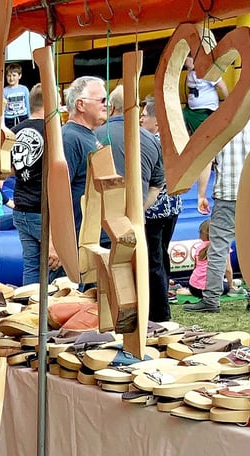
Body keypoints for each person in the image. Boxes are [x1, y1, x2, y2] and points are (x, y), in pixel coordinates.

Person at [93, 86, 171, 321]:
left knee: (105, 272)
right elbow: (158, 186)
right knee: (144, 267)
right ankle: (155, 317)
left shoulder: (97, 135)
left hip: (101, 220)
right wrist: (136, 212)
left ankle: (105, 318)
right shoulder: (150, 140)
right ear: (136, 111)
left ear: (112, 107)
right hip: (134, 221)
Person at [186, 108, 250, 313]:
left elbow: (206, 162)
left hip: (226, 194)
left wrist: (201, 194)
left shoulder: (220, 129)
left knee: (218, 248)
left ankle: (211, 299)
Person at [7, 83, 59, 285]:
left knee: (31, 265)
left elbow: (9, 169)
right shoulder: (53, 132)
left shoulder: (14, 131)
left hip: (21, 207)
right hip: (42, 210)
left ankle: (30, 307)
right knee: (55, 266)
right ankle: (48, 312)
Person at [140, 99, 184, 322]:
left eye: (144, 116)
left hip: (153, 210)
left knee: (153, 262)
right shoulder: (174, 140)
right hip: (172, 207)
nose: (140, 119)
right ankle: (162, 303)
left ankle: (159, 312)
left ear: (156, 121)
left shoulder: (149, 143)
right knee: (161, 258)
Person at [62, 76, 107, 232]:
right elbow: (58, 193)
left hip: (94, 233)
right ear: (81, 105)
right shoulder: (69, 138)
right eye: (102, 100)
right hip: (81, 237)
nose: (106, 104)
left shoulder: (87, 135)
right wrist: (55, 242)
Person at [183, 52, 228, 134]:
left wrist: (228, 104)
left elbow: (222, 86)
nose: (188, 67)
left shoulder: (208, 70)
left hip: (206, 110)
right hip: (191, 109)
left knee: (202, 134)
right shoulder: (190, 72)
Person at [188, 219, 232, 300]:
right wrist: (231, 286)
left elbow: (196, 268)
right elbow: (228, 270)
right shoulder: (223, 247)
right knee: (226, 285)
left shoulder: (199, 248)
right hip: (210, 289)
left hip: (193, 288)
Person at [3, 63, 30, 129]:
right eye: (9, 75)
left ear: (19, 76)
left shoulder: (24, 89)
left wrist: (30, 118)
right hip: (9, 119)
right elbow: (2, 108)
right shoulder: (4, 91)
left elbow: (28, 104)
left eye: (14, 75)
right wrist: (3, 123)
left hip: (23, 117)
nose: (11, 78)